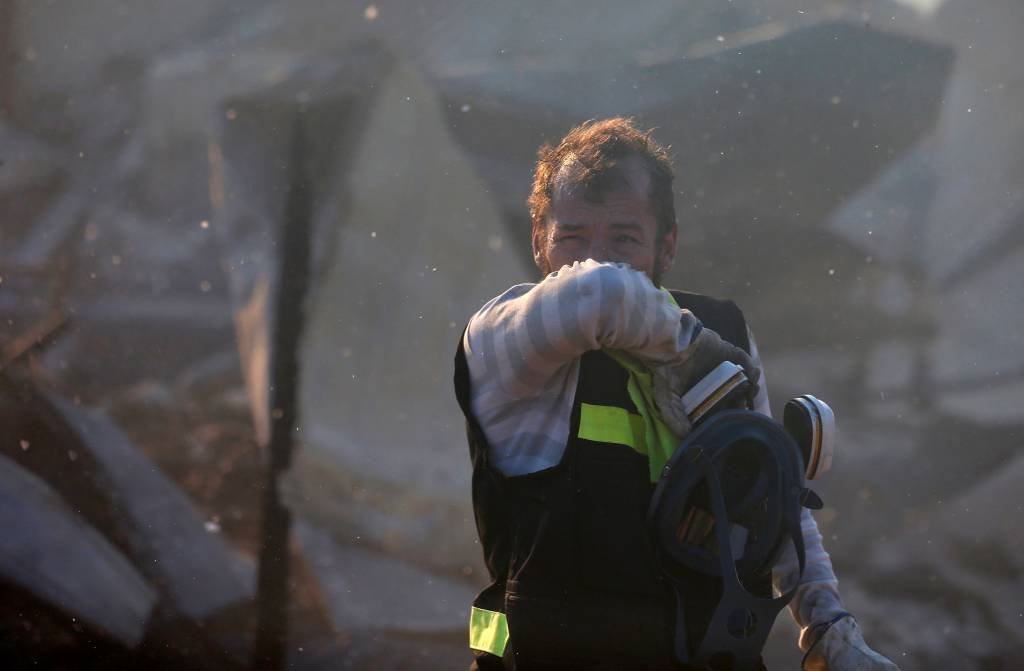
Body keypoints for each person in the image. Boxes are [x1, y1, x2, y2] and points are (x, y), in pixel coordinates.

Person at [453, 118, 898, 670]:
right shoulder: (506, 338)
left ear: (669, 244)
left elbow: (774, 501)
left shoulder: (725, 331)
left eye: (624, 237)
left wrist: (829, 628)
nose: (595, 257)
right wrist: (694, 359)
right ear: (538, 241)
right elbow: (602, 292)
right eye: (571, 236)